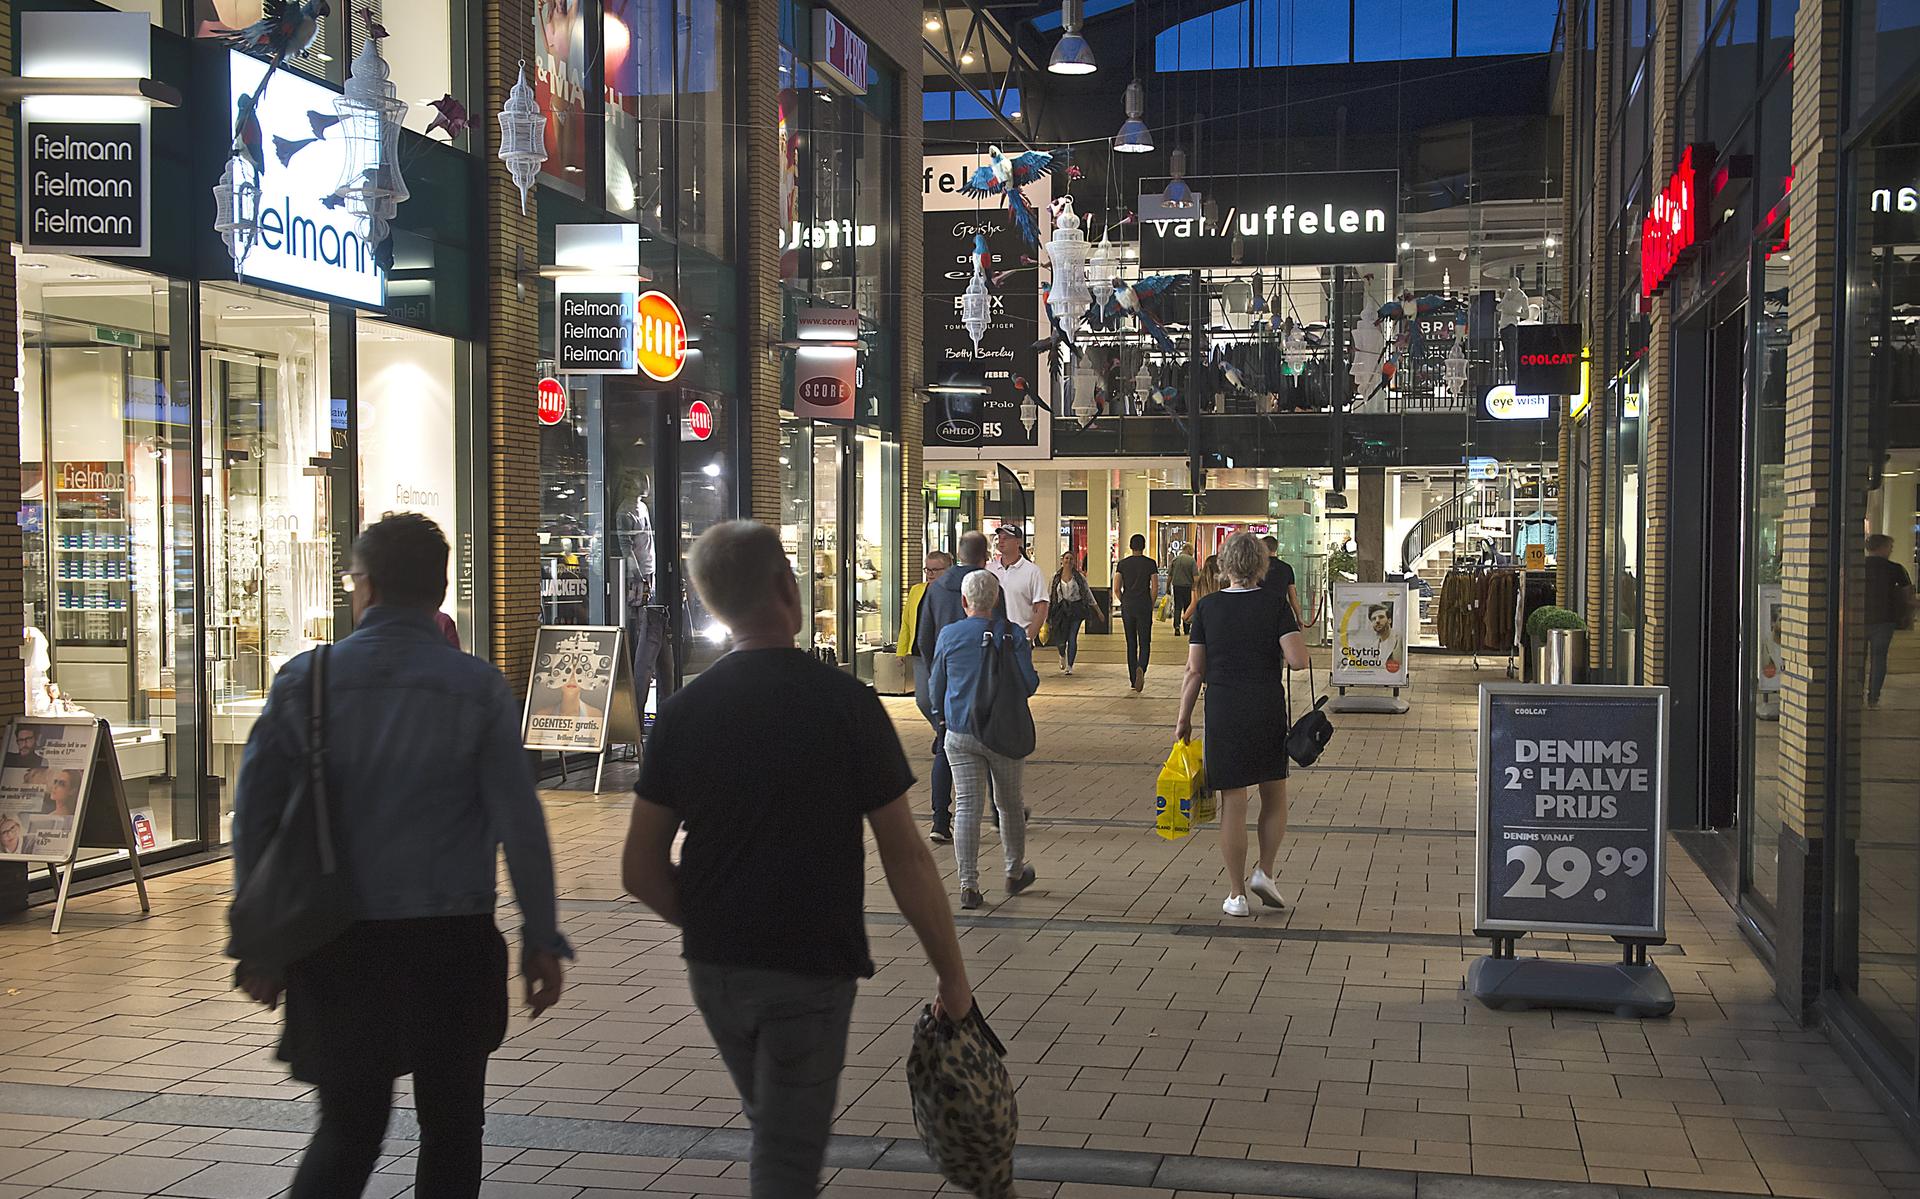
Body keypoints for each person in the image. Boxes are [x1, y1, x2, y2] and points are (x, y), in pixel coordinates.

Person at [622, 522, 973, 1198]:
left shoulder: (685, 712)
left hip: (716, 968)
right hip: (811, 962)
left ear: (712, 603)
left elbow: (639, 868)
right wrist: (952, 977)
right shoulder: (846, 704)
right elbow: (906, 856)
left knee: (774, 1126)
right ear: (789, 587)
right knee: (785, 1155)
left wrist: (713, 922)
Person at [232, 513, 569, 1199]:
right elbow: (520, 823)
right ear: (440, 590)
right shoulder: (477, 688)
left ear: (367, 586)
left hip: (336, 942)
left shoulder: (306, 681)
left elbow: (255, 822)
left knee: (348, 1129)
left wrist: (260, 943)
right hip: (452, 940)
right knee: (453, 1128)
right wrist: (541, 936)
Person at [1175, 532, 1310, 918]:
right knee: (1274, 793)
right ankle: (1264, 872)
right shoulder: (1275, 604)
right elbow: (1298, 661)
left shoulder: (1207, 608)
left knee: (1233, 802)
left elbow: (1194, 670)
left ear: (1224, 566)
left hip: (1223, 710)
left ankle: (1236, 895)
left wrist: (1183, 719)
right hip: (1265, 708)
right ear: (1262, 566)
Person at [930, 569, 1038, 911]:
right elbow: (1030, 684)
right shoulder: (1013, 634)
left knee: (967, 806)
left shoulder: (949, 634)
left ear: (964, 601)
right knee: (1009, 804)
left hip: (960, 732)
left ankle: (969, 885)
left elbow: (936, 685)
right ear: (996, 599)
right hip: (1004, 732)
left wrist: (942, 718)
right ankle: (1014, 871)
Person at [919, 534, 1003, 841]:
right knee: (994, 749)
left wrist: (936, 674)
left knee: (945, 747)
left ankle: (940, 820)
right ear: (984, 557)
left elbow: (924, 638)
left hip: (949, 683)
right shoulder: (990, 585)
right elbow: (1002, 634)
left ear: (959, 554)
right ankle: (998, 814)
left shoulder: (935, 589)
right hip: (985, 682)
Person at [902, 551, 956, 842]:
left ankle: (943, 732)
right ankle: (940, 730)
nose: (930, 574)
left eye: (935, 570)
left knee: (948, 741)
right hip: (924, 655)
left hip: (946, 657)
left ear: (949, 569)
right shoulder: (918, 592)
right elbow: (909, 622)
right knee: (924, 700)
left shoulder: (954, 593)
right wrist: (903, 648)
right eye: (927, 570)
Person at [1865, 533, 1915, 708]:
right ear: (1883, 547)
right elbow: (1908, 596)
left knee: (1856, 658)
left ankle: (1854, 694)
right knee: (1879, 658)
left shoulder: (1858, 566)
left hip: (1859, 618)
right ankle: (1873, 697)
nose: (1891, 550)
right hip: (1885, 619)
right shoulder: (1896, 569)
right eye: (1890, 547)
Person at [987, 525, 1049, 643]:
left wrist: (1029, 637)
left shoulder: (1032, 571)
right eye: (1000, 537)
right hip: (993, 638)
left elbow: (1042, 606)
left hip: (1019, 638)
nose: (1001, 541)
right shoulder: (989, 569)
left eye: (1006, 538)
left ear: (1018, 542)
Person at [1114, 534, 1160, 693]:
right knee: (1145, 642)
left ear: (1130, 546)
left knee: (1131, 642)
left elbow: (1116, 588)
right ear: (1144, 546)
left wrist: (1124, 601)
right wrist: (1151, 604)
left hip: (1128, 605)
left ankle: (1133, 679)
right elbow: (1155, 587)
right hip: (1144, 606)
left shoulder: (1122, 564)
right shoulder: (1150, 564)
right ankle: (1142, 667)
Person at [1048, 552, 1093, 674]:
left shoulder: (1079, 577)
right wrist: (1046, 612)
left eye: (1071, 559)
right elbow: (1050, 595)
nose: (1068, 561)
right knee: (1061, 640)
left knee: (1072, 637)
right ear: (1062, 560)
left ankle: (1070, 666)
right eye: (1066, 558)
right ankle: (1062, 654)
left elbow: (1088, 593)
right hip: (1060, 611)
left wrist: (1098, 611)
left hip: (1076, 610)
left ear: (1074, 562)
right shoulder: (1055, 577)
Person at [1259, 535, 1304, 625]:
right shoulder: (1286, 568)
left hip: (1260, 610)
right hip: (1281, 611)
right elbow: (1293, 596)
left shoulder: (1256, 567)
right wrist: (1299, 616)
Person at [1183, 554, 1221, 631]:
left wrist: (1185, 616)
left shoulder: (1198, 585)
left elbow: (1193, 604)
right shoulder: (1226, 584)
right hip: (1221, 621)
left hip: (1203, 623)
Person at [1168, 545, 1198, 635]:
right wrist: (1195, 588)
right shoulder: (1192, 561)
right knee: (1187, 607)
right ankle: (1186, 628)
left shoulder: (1175, 560)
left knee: (1177, 607)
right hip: (1188, 587)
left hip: (1177, 586)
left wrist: (1167, 587)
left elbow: (1170, 576)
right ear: (1188, 549)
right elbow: (1196, 578)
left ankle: (1177, 627)